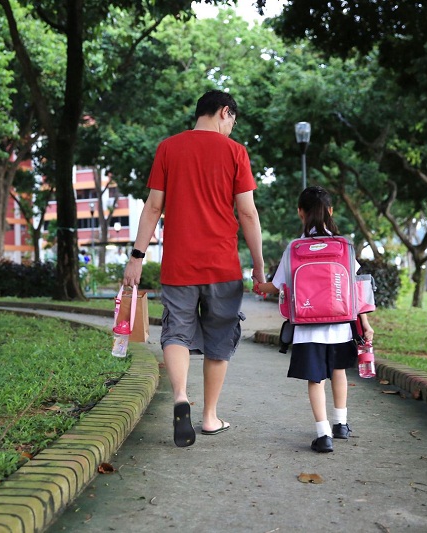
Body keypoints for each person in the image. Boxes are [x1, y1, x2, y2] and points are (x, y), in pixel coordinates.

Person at [122, 90, 265, 447]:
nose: (232, 127)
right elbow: (247, 213)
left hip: (179, 264)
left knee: (176, 332)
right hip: (222, 265)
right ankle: (210, 417)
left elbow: (154, 207)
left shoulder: (168, 148)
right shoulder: (235, 153)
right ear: (224, 112)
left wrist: (136, 257)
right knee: (219, 339)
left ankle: (181, 397)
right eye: (232, 119)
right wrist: (260, 267)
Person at [254, 186, 374, 453]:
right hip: (342, 325)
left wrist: (258, 286)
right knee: (338, 371)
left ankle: (323, 436)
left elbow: (277, 286)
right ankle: (341, 424)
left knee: (315, 379)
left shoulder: (296, 248)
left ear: (301, 213)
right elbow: (356, 287)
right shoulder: (344, 246)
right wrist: (364, 323)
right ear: (331, 211)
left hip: (308, 328)